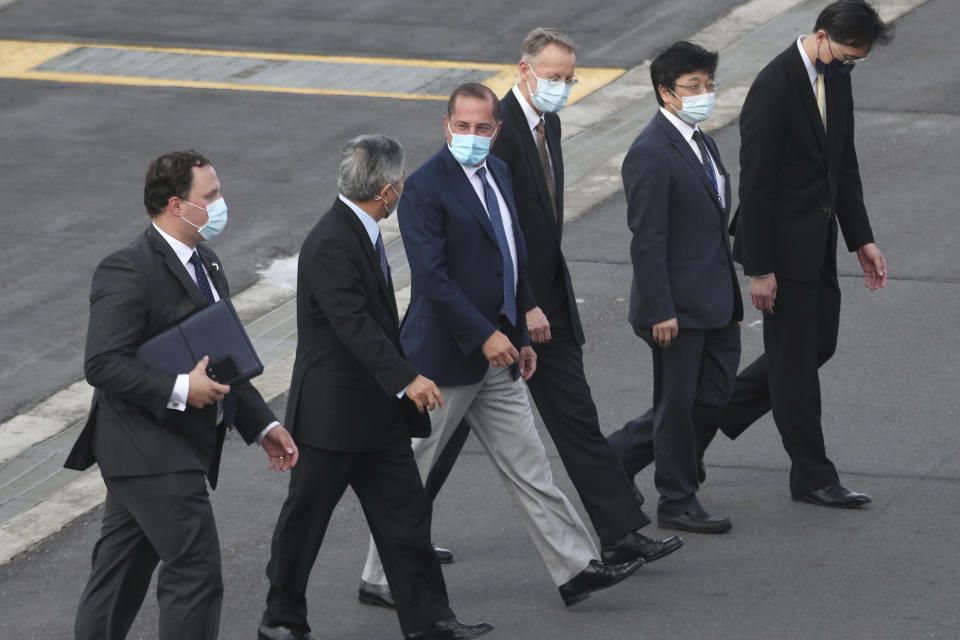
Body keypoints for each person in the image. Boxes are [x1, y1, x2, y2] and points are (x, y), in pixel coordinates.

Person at [359, 83, 643, 610]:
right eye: (462, 126)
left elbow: (512, 256)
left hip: (499, 355)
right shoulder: (424, 187)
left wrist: (516, 325)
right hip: (442, 358)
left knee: (530, 465)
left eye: (482, 127)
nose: (471, 135)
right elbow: (434, 279)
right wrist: (485, 334)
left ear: (497, 129)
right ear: (447, 126)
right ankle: (379, 577)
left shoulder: (500, 172)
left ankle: (576, 568)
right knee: (412, 471)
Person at [422, 28, 682, 565]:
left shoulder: (550, 123)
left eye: (568, 78)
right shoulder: (500, 132)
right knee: (441, 440)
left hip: (541, 304)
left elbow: (536, 227)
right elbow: (497, 235)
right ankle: (399, 541)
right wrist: (525, 303)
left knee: (574, 416)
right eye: (553, 77)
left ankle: (617, 531)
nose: (561, 86)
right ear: (524, 71)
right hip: (506, 311)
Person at [257, 136, 492, 640]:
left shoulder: (359, 230)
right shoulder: (332, 241)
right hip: (331, 419)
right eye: (400, 184)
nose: (403, 190)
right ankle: (280, 621)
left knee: (406, 520)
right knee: (304, 525)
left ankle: (431, 622)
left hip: (377, 418)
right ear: (387, 191)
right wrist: (408, 378)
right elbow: (354, 326)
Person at [65, 150, 300, 640]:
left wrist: (262, 425)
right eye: (210, 196)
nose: (220, 204)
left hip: (160, 450)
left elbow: (223, 361)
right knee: (194, 573)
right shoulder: (128, 268)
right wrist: (179, 388)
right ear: (176, 205)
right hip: (148, 447)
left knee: (118, 579)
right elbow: (102, 364)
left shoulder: (207, 263)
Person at [703, 0, 892, 508]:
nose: (850, 65)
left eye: (857, 60)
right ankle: (812, 475)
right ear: (823, 35)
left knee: (816, 346)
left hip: (819, 243)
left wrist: (861, 238)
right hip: (781, 252)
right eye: (848, 55)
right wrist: (760, 268)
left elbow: (841, 164)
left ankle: (705, 418)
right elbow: (758, 185)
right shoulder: (774, 86)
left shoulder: (838, 77)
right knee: (794, 369)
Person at [605, 42, 743, 534]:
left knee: (713, 396)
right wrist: (661, 308)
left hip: (716, 300)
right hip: (675, 309)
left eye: (709, 85)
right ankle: (677, 499)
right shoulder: (650, 152)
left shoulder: (701, 141)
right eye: (694, 86)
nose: (705, 94)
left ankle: (613, 458)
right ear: (665, 92)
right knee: (680, 404)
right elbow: (648, 239)